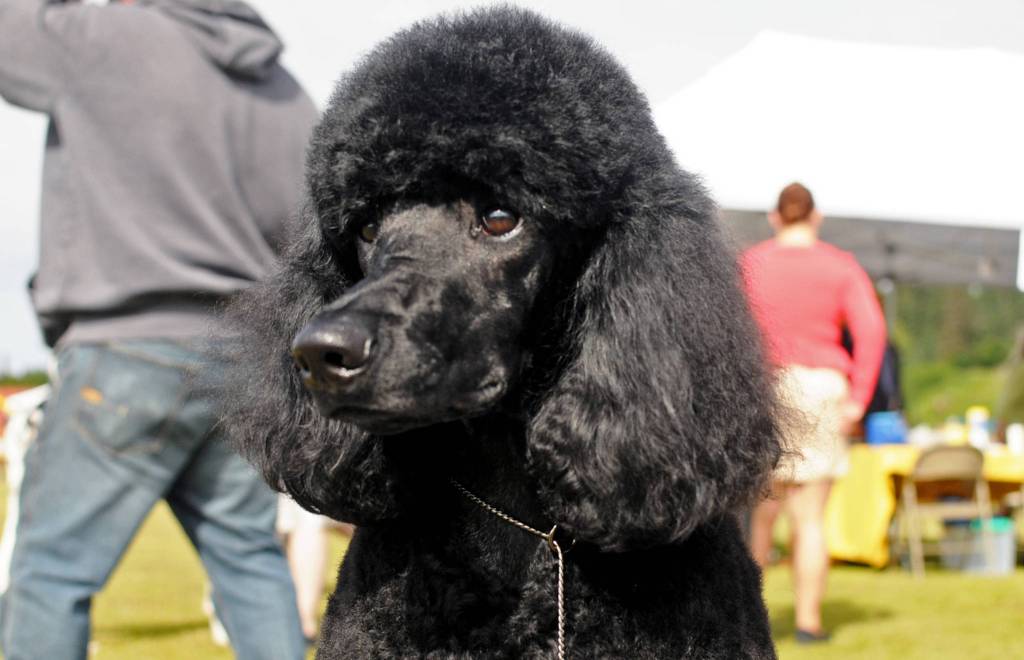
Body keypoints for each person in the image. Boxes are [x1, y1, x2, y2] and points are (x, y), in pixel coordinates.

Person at [0, 1, 319, 658]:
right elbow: (308, 237)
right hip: (244, 360)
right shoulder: (282, 88)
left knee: (52, 573)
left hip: (128, 348)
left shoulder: (102, 38)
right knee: (251, 560)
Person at [742, 182, 886, 643]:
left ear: (774, 217)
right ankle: (808, 623)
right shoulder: (840, 266)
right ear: (816, 217)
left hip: (767, 388)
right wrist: (859, 398)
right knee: (810, 519)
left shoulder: (751, 264)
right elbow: (872, 331)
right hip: (822, 389)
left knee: (760, 516)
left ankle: (747, 622)